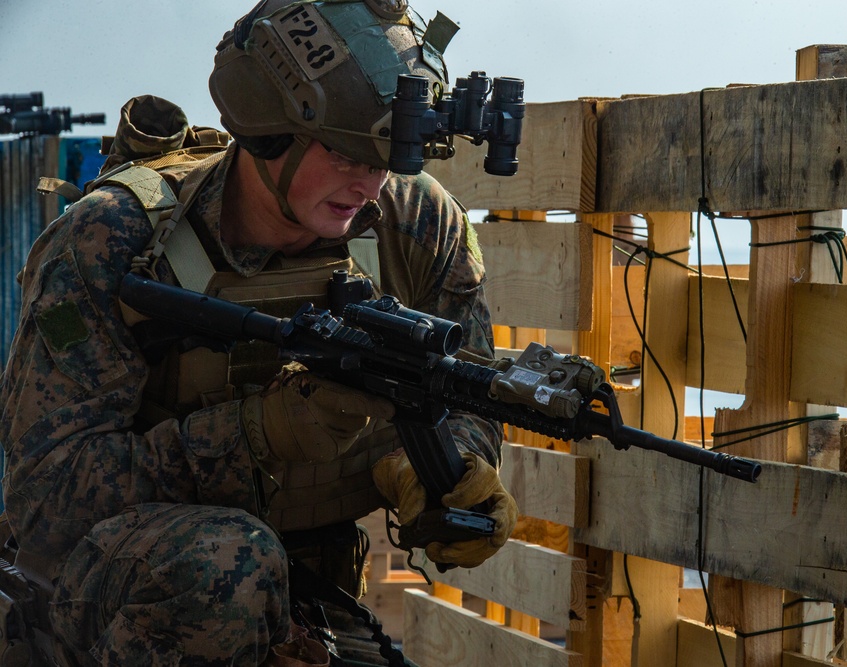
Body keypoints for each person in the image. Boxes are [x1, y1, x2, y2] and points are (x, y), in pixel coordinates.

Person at [0, 0, 518, 664]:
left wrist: (445, 464)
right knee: (233, 567)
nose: (369, 180)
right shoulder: (110, 241)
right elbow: (48, 507)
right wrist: (256, 432)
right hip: (107, 601)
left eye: (390, 153)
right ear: (268, 129)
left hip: (301, 595)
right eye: (344, 149)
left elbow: (467, 374)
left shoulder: (416, 225)